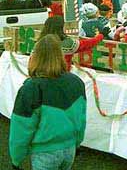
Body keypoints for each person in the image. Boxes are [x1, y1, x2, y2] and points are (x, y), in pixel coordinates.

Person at [9, 34, 86, 170]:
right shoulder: (76, 82)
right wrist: (77, 142)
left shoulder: (31, 88)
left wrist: (16, 158)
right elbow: (81, 119)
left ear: (35, 57)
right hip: (70, 149)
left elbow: (21, 128)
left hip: (44, 152)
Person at [40, 16, 107, 71]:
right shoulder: (67, 43)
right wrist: (101, 35)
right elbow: (87, 44)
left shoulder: (40, 42)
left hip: (42, 74)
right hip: (61, 75)